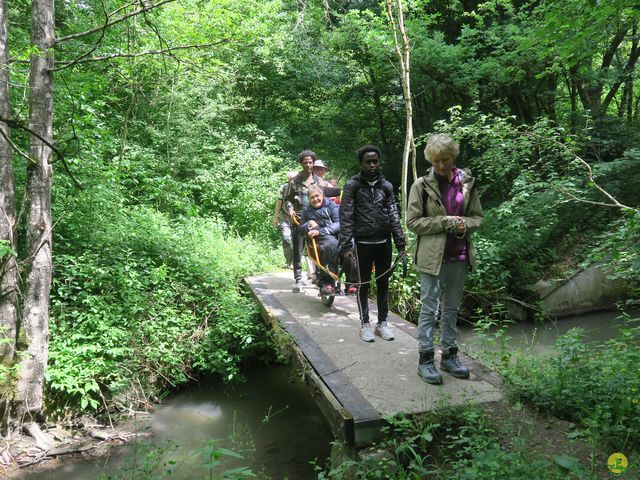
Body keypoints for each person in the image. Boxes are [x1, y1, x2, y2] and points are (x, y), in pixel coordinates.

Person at [406, 133, 483, 385]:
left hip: (459, 255)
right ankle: (426, 360)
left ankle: (449, 356)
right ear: (430, 159)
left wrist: (464, 225)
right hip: (431, 259)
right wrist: (443, 221)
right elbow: (413, 222)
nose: (441, 165)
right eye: (436, 160)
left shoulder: (467, 182)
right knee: (429, 309)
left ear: (453, 157)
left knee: (451, 309)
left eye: (446, 159)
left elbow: (477, 218)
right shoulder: (420, 185)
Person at [339, 145, 406, 342]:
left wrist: (400, 244)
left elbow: (393, 215)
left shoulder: (386, 186)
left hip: (384, 242)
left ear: (379, 162)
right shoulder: (353, 186)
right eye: (368, 161)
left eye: (375, 161)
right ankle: (365, 324)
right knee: (363, 284)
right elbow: (346, 216)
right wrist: (346, 246)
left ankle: (382, 323)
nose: (372, 164)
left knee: (383, 283)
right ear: (361, 163)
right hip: (362, 244)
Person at [284, 150, 340, 293]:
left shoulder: (320, 181)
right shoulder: (294, 181)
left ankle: (322, 277)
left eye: (310, 162)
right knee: (298, 248)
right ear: (301, 163)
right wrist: (290, 209)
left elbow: (330, 197)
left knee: (321, 248)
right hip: (299, 218)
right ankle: (298, 279)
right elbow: (288, 199)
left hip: (318, 219)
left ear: (313, 163)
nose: (308, 165)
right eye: (305, 162)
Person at [299, 186, 340, 294]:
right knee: (331, 244)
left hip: (332, 233)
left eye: (317, 196)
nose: (315, 199)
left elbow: (338, 223)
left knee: (352, 244)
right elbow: (301, 228)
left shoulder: (332, 206)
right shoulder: (306, 210)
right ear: (308, 199)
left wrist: (322, 230)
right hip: (318, 239)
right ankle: (325, 281)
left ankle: (352, 282)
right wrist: (308, 224)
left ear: (322, 195)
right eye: (312, 197)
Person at [273, 171, 298, 269]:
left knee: (297, 241)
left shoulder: (301, 189)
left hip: (297, 219)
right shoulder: (283, 188)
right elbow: (279, 203)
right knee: (286, 237)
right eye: (290, 179)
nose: (291, 181)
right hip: (285, 217)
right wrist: (275, 217)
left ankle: (296, 262)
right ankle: (288, 261)